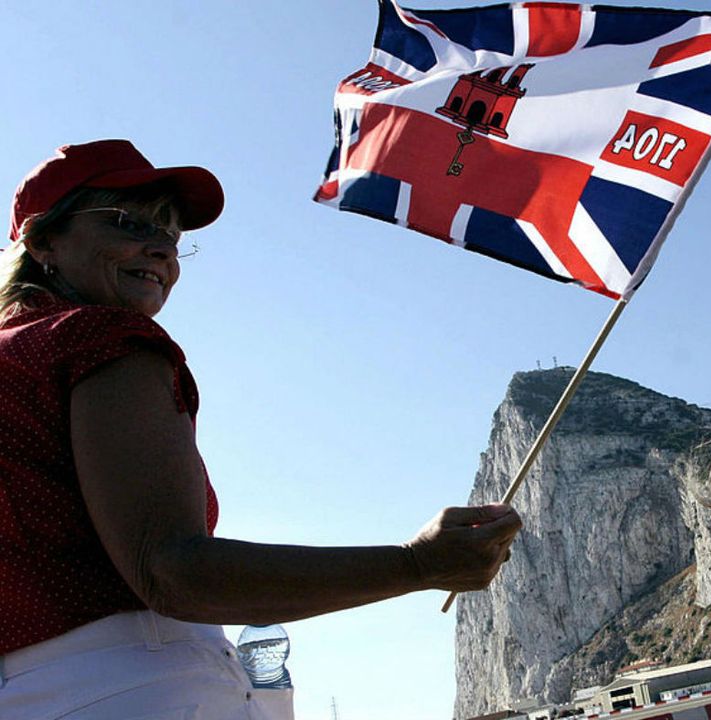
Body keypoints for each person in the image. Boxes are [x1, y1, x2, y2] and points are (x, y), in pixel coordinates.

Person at [0, 139, 522, 719]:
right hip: (145, 688)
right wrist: (417, 564)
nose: (160, 250)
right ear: (44, 239)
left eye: (171, 237)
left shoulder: (17, 359)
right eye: (128, 223)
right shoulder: (101, 338)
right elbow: (170, 571)